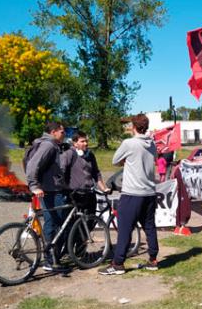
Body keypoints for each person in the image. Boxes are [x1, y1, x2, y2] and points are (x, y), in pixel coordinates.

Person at [99, 114, 160, 275]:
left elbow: (115, 161)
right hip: (149, 192)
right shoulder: (151, 143)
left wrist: (126, 161)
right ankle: (153, 259)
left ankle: (118, 263)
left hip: (132, 193)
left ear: (133, 126)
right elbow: (153, 159)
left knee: (125, 229)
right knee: (149, 227)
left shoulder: (129, 143)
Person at [25, 121, 68, 272]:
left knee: (55, 222)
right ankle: (49, 260)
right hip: (50, 191)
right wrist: (34, 186)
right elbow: (33, 165)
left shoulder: (51, 145)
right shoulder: (48, 145)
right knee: (53, 223)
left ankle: (53, 257)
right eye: (63, 132)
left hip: (53, 189)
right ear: (54, 132)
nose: (65, 135)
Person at [60, 131, 111, 214]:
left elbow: (96, 173)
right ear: (75, 143)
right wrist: (65, 188)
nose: (86, 143)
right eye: (82, 141)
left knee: (90, 221)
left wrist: (104, 188)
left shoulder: (90, 155)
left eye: (86, 141)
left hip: (89, 193)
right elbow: (61, 171)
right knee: (76, 223)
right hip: (75, 195)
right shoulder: (69, 154)